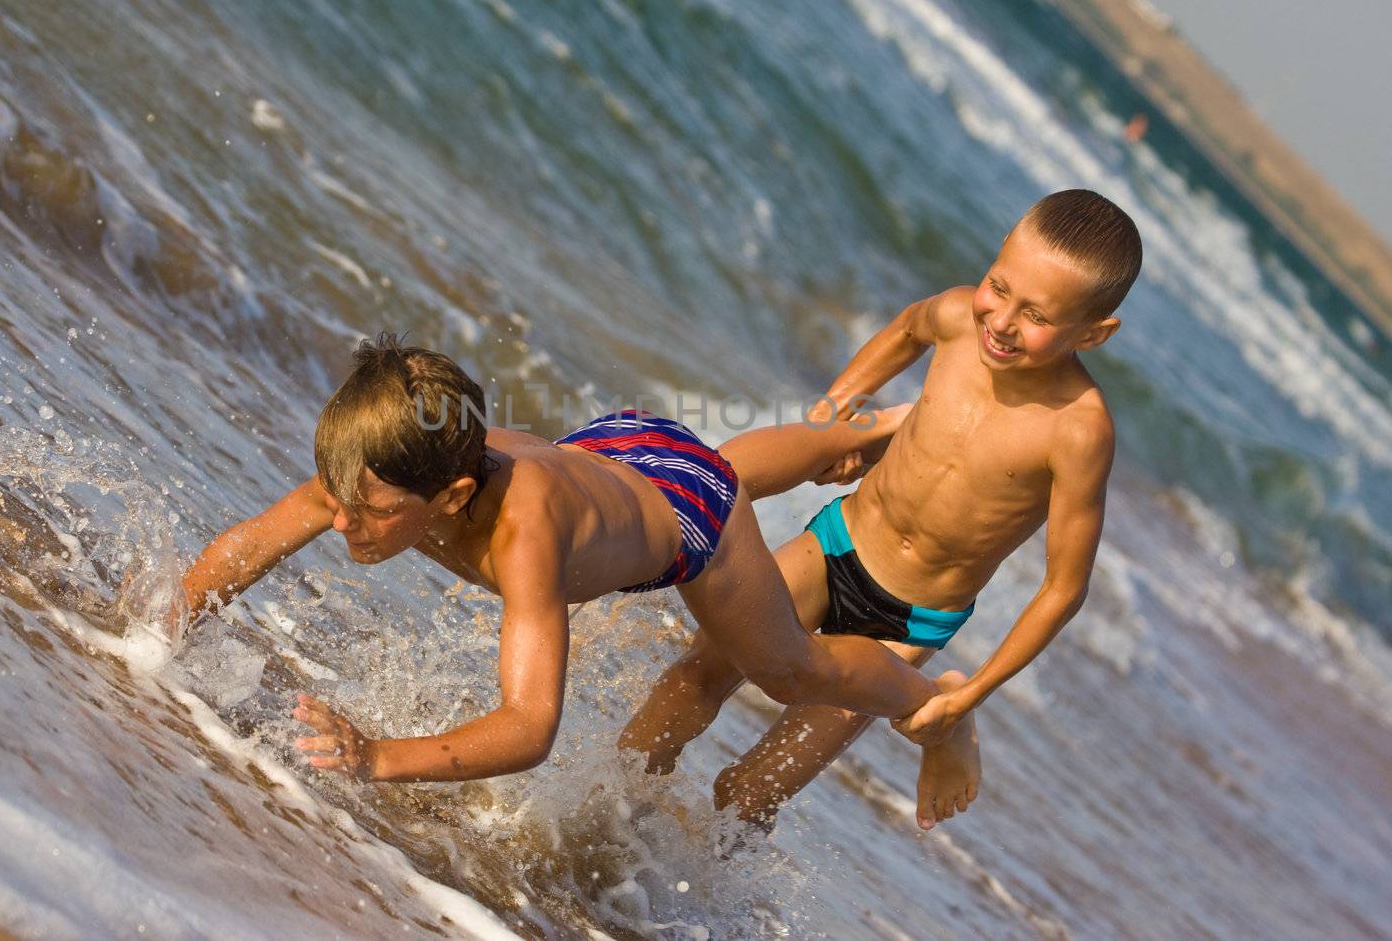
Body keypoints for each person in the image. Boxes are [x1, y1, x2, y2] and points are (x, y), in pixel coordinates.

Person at [175, 336, 949, 783]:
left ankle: (933, 698)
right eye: (339, 494)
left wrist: (378, 756)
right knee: (707, 457)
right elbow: (248, 542)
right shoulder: (373, 470)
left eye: (370, 512)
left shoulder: (524, 538)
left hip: (686, 513)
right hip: (619, 449)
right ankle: (865, 434)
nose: (341, 518)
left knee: (792, 670)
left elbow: (530, 725)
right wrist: (162, 629)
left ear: (452, 496)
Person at [619, 189, 1140, 831]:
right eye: (998, 288)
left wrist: (972, 693)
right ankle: (600, 827)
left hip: (906, 624)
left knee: (754, 793)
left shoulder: (1078, 431)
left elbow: (1064, 588)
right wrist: (831, 422)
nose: (1001, 321)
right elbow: (904, 331)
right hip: (837, 544)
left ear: (1094, 332)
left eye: (1034, 314)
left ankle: (667, 913)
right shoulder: (957, 317)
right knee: (694, 679)